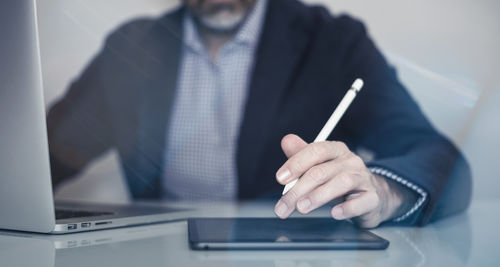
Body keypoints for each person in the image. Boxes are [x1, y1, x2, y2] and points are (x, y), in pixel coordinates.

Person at [47, 0, 471, 228]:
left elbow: (438, 157)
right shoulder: (131, 47)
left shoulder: (333, 41)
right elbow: (47, 154)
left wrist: (383, 191)